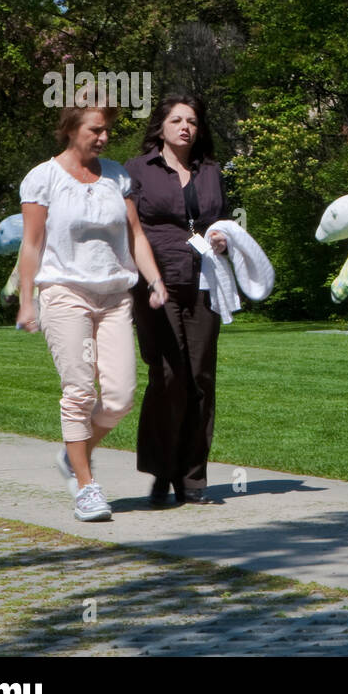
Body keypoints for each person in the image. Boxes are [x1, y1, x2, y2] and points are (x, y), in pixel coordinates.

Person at [16, 89, 169, 521]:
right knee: (80, 391)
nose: (103, 137)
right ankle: (86, 487)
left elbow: (136, 235)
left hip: (115, 297)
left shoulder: (117, 177)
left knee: (119, 397)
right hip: (64, 293)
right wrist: (27, 302)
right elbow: (31, 244)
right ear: (70, 128)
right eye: (95, 129)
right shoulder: (43, 178)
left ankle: (73, 454)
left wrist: (154, 280)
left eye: (107, 130)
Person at [125, 94, 231, 506]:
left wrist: (221, 237)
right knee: (168, 376)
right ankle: (160, 472)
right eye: (176, 120)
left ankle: (193, 479)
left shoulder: (211, 171)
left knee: (201, 377)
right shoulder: (137, 171)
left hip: (205, 282)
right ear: (161, 127)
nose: (185, 127)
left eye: (191, 121)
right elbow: (129, 227)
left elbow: (217, 221)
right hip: (157, 283)